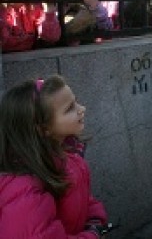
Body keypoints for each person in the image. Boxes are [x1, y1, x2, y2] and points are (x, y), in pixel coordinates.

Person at [0, 75, 109, 237]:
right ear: (43, 128)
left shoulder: (67, 156)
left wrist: (95, 221)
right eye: (70, 108)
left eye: (76, 101)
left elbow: (83, 198)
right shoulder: (25, 188)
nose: (82, 108)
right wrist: (92, 235)